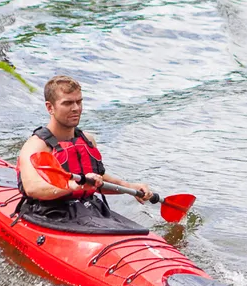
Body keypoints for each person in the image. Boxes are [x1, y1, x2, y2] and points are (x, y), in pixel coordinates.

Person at [17, 75, 151, 226]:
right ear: (50, 107)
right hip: (47, 213)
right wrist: (72, 186)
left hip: (86, 208)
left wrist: (128, 187)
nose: (76, 108)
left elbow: (97, 179)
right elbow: (32, 188)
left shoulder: (87, 139)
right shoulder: (37, 145)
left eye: (79, 102)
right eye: (67, 103)